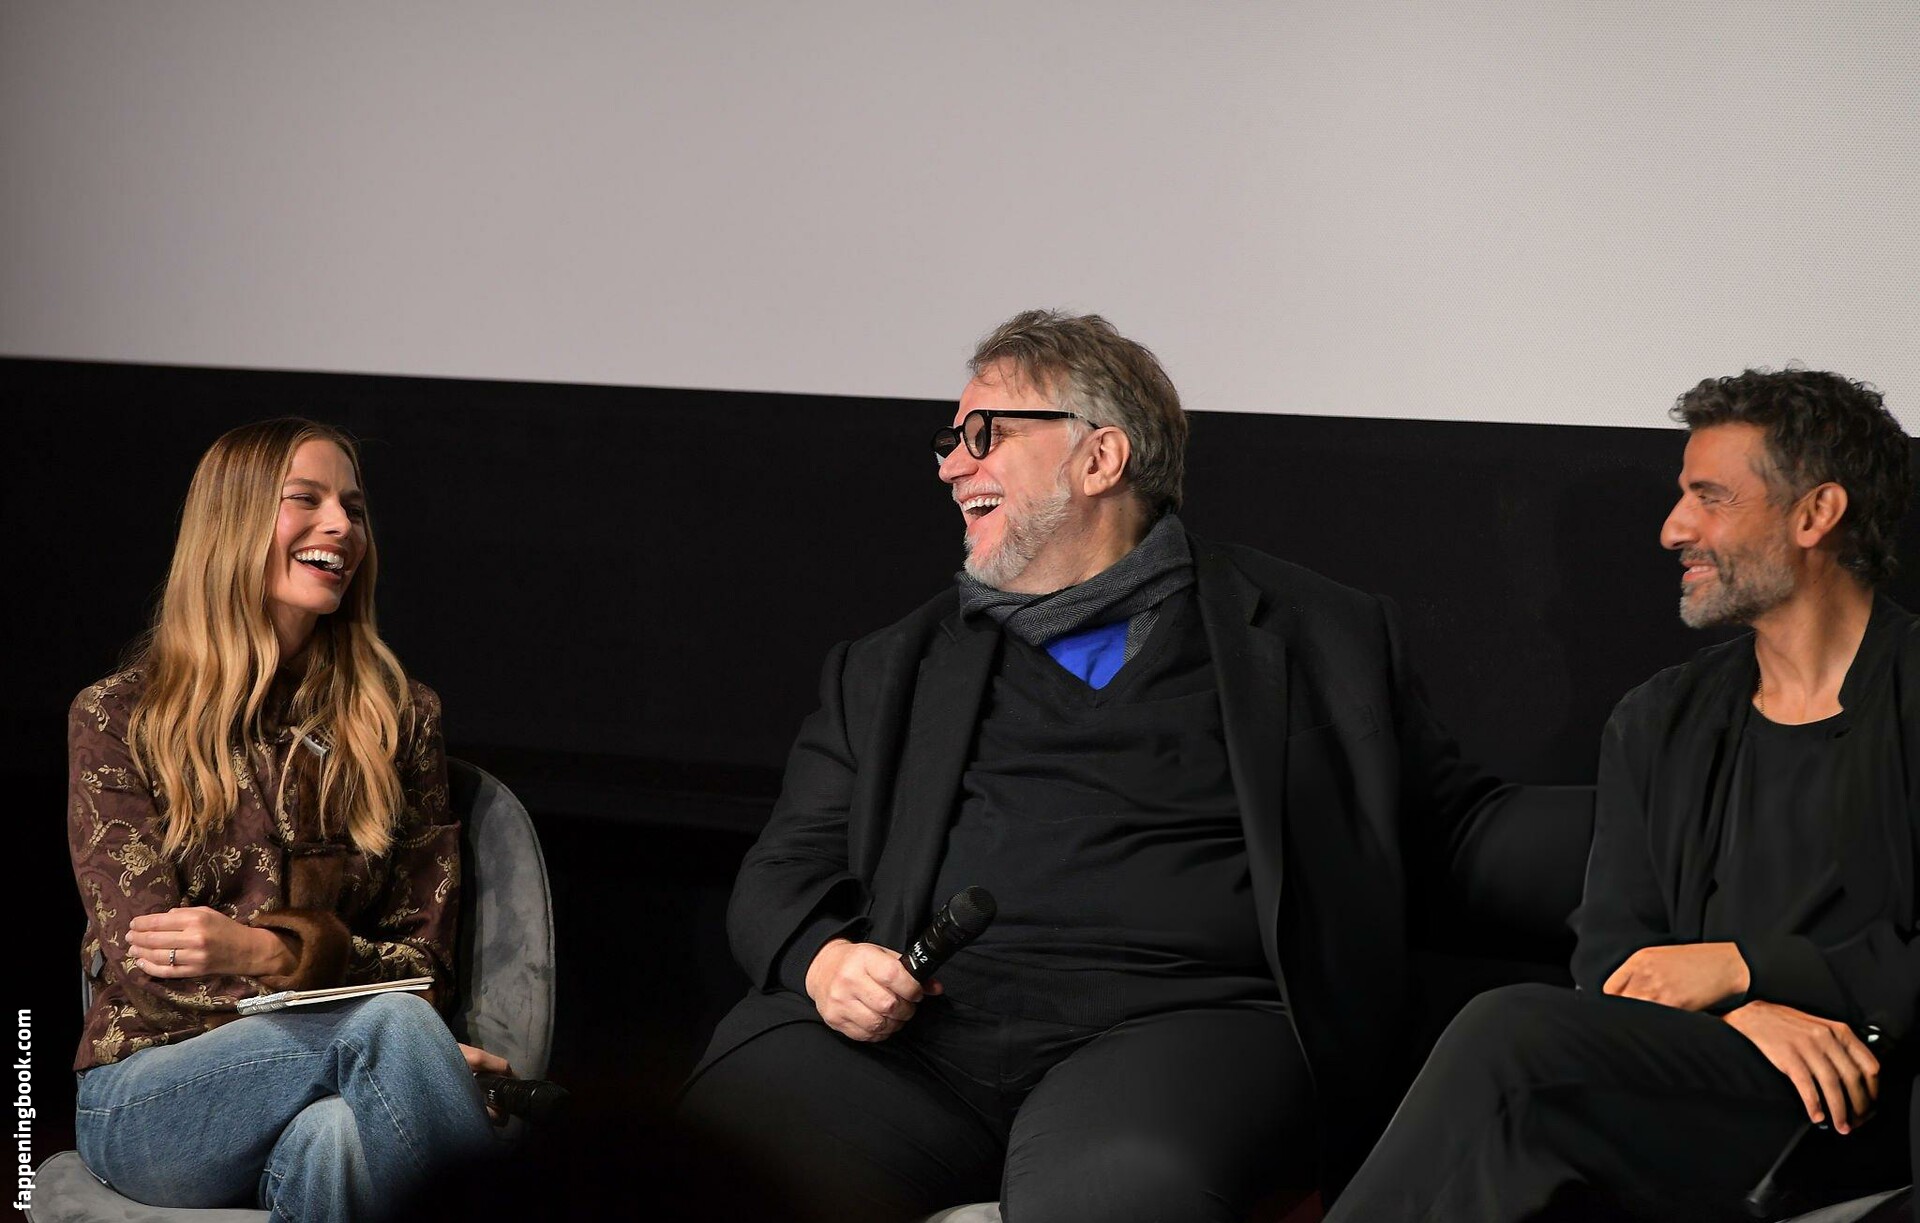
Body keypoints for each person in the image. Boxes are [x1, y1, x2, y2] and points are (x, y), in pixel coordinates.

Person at [680, 310, 1527, 1221]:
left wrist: (1642, 839)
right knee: (713, 1166)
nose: (951, 465)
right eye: (949, 442)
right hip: (922, 1045)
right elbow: (780, 869)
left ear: (1100, 458)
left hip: (1177, 1029)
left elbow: (1458, 830)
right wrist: (825, 961)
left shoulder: (1315, 634)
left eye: (984, 434)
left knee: (1110, 1196)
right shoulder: (891, 666)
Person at [1326, 368, 1917, 1221]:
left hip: (1879, 1093)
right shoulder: (1660, 717)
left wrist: (1746, 966)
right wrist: (1743, 1011)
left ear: (1815, 513)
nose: (1675, 528)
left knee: (1510, 1040)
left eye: (1709, 497)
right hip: (1717, 1076)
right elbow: (1613, 953)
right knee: (1512, 1087)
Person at [67, 418, 508, 1221]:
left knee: (338, 1137)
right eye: (306, 499)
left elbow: (422, 970)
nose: (342, 525)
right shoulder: (118, 717)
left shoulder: (402, 718)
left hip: (332, 1078)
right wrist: (383, 1032)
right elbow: (151, 976)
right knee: (388, 1027)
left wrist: (265, 953)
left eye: (354, 508)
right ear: (232, 523)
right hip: (150, 1094)